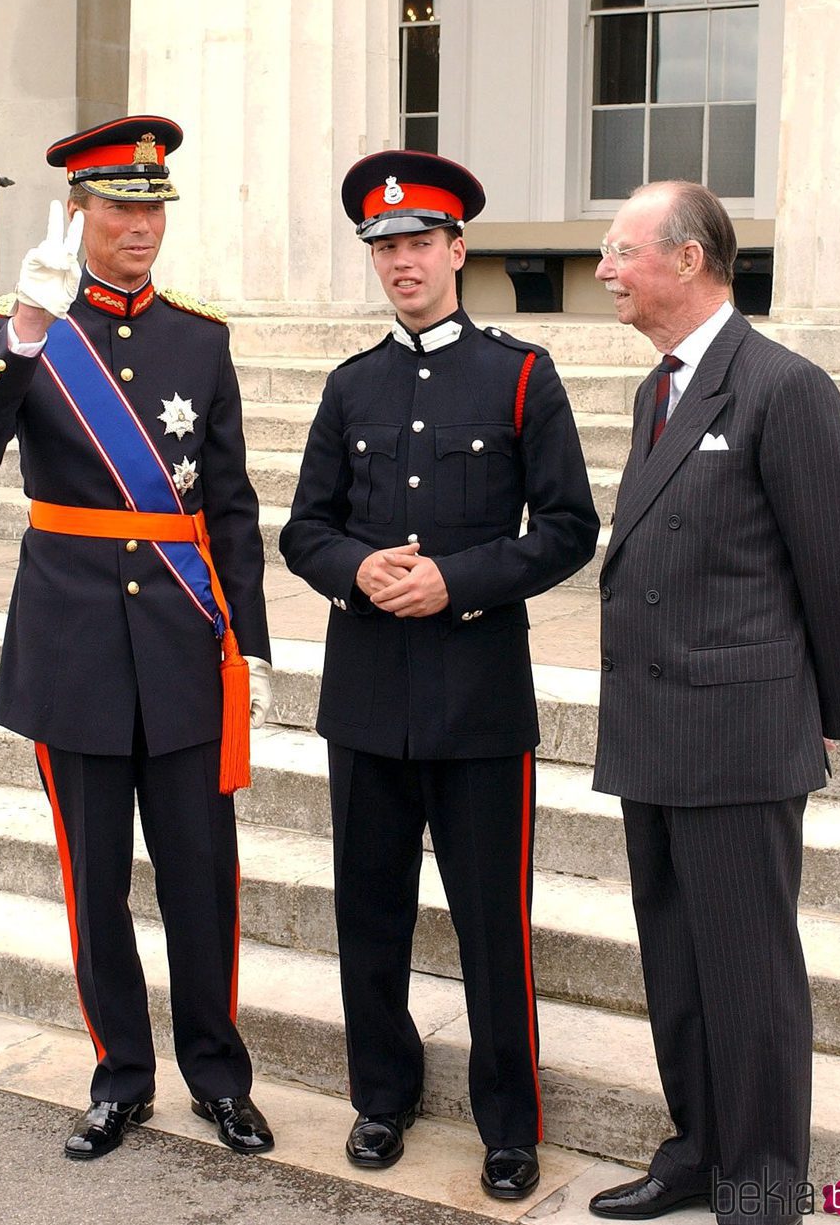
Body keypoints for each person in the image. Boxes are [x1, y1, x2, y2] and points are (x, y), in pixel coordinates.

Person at [0, 117, 277, 1162]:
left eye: (153, 207)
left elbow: (227, 504)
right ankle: (121, 1075)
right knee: (97, 884)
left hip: (180, 642)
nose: (141, 226)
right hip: (73, 645)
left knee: (201, 878)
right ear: (75, 212)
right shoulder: (33, 326)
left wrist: (248, 644)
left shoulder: (198, 337)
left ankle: (217, 1076)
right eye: (121, 207)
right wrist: (24, 328)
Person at [279, 150, 599, 1202]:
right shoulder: (349, 384)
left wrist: (457, 580)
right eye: (384, 246)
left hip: (476, 700)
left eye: (419, 241)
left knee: (489, 923)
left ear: (459, 249)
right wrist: (354, 568)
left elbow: (566, 529)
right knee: (367, 912)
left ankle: (508, 1122)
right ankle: (383, 1093)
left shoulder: (519, 374)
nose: (401, 261)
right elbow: (303, 530)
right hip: (366, 695)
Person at [588, 181, 840, 1225]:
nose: (602, 271)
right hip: (652, 734)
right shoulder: (658, 389)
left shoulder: (780, 386)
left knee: (748, 977)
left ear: (685, 259)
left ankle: (759, 1183)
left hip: (736, 736)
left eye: (620, 252)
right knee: (674, 964)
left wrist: (821, 715)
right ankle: (695, 1149)